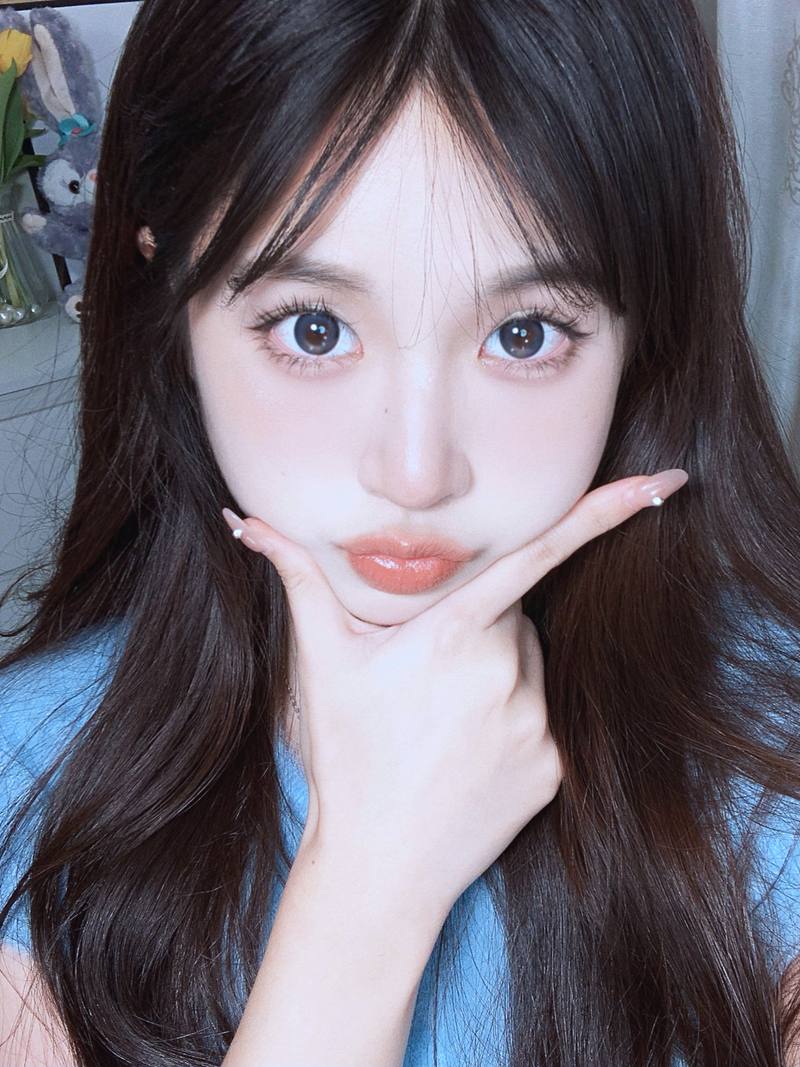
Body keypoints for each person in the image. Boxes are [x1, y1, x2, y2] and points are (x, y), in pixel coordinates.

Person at [1, 0, 800, 1063]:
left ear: (640, 327)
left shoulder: (768, 755)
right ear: (169, 296)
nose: (415, 473)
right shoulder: (30, 782)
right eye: (314, 327)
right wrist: (370, 886)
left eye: (524, 334)